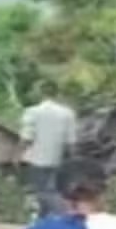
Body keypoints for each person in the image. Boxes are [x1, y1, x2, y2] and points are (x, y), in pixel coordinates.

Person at [19, 81, 78, 217]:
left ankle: (53, 217)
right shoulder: (68, 113)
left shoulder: (32, 112)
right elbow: (71, 143)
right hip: (57, 160)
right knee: (54, 191)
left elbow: (27, 138)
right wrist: (72, 162)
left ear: (40, 93)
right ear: (56, 93)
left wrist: (17, 154)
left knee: (41, 192)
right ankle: (55, 218)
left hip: (36, 160)